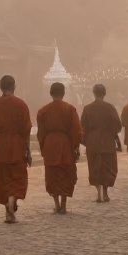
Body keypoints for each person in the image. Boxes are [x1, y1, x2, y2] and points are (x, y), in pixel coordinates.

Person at [0, 74, 32, 224]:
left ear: (1, 87)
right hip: (17, 144)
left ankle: (8, 210)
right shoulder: (21, 104)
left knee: (3, 179)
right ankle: (12, 199)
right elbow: (26, 129)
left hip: (1, 144)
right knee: (18, 177)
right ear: (14, 87)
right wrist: (27, 149)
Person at [37, 82, 82, 213]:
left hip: (50, 143)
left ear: (51, 93)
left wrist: (42, 146)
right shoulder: (70, 109)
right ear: (63, 93)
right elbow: (76, 129)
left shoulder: (43, 111)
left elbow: (41, 132)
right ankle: (63, 204)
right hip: (65, 143)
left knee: (52, 173)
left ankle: (56, 204)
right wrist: (75, 145)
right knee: (66, 172)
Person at [81, 83, 122, 202]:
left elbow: (83, 126)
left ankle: (98, 193)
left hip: (93, 140)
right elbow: (117, 125)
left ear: (93, 93)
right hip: (107, 140)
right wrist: (112, 135)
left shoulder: (87, 108)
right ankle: (105, 193)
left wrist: (86, 140)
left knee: (94, 166)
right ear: (104, 93)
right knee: (107, 167)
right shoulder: (110, 108)